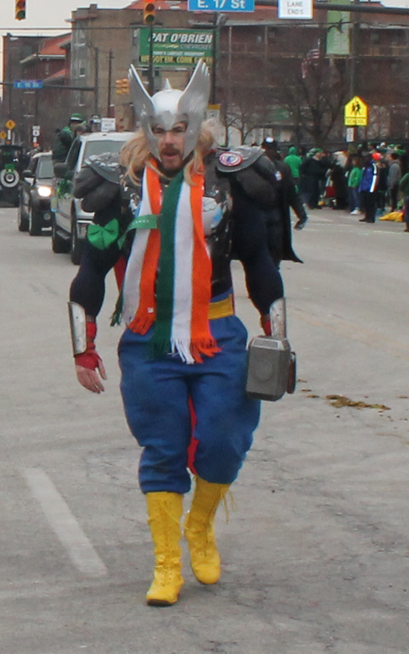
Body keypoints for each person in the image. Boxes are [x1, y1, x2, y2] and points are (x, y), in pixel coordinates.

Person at [68, 62, 297, 607]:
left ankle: (200, 525)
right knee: (163, 448)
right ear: (145, 129)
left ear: (197, 126)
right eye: (159, 130)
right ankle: (166, 563)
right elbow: (90, 271)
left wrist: (277, 335)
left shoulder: (234, 184)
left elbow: (261, 265)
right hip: (148, 337)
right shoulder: (120, 194)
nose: (169, 142)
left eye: (179, 130)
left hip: (217, 330)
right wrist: (83, 347)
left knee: (223, 440)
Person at [358, 152, 381, 223]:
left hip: (371, 188)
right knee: (366, 203)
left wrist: (372, 189)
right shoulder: (365, 166)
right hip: (364, 187)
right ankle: (367, 216)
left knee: (371, 203)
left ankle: (371, 217)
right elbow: (362, 177)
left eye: (367, 157)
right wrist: (361, 188)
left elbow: (375, 177)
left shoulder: (373, 166)